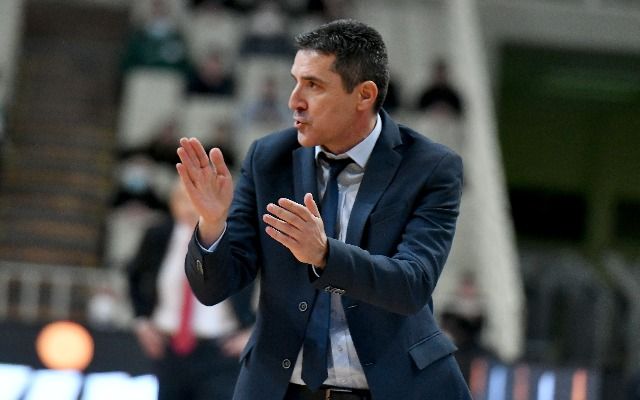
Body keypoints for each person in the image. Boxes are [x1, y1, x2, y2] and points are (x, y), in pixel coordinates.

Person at [176, 19, 471, 399]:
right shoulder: (268, 158)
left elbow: (411, 285)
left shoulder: (430, 167)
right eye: (295, 81)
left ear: (364, 95)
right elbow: (214, 289)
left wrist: (325, 255)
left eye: (313, 85)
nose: (294, 101)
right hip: (281, 389)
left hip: (392, 388)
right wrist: (213, 222)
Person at [127, 178, 255, 400]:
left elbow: (270, 284)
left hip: (221, 349)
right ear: (172, 202)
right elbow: (134, 276)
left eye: (197, 199)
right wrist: (141, 320)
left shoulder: (237, 236)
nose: (190, 207)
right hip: (168, 346)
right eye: (183, 199)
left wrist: (253, 330)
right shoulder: (158, 235)